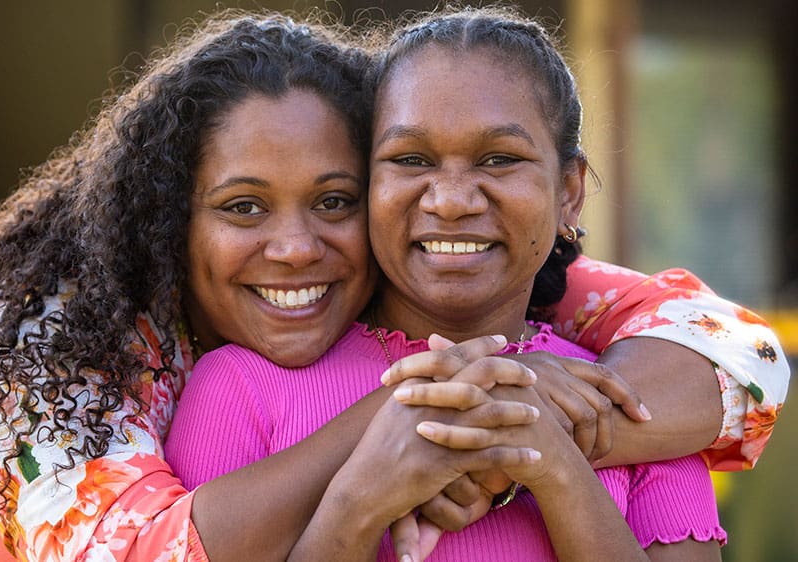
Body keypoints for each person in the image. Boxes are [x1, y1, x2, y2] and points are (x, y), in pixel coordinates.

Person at [0, 8, 789, 562]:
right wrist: (413, 425)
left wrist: (527, 431)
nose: (296, 248)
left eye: (333, 200)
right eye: (243, 206)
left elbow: (736, 359)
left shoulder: (547, 318)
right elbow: (144, 550)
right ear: (167, 221)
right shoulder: (82, 356)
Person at [165, 7, 767, 561]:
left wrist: (553, 463)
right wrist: (360, 499)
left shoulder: (627, 415)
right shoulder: (238, 388)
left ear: (569, 193)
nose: (451, 202)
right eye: (411, 160)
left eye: (499, 158)